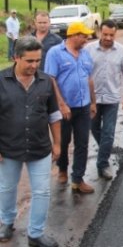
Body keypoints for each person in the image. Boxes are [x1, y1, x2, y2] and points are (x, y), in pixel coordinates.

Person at [0, 36, 61, 247]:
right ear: (16, 57)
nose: (34, 66)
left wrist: (57, 143)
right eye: (29, 61)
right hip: (8, 148)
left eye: (38, 61)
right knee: (7, 188)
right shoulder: (1, 81)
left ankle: (35, 234)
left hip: (40, 147)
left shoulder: (45, 81)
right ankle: (6, 222)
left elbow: (54, 115)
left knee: (42, 191)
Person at [44, 22, 97, 194]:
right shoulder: (55, 53)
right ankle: (62, 169)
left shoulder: (85, 54)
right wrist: (61, 104)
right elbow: (50, 80)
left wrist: (93, 102)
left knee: (82, 142)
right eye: (84, 36)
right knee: (64, 141)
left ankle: (78, 179)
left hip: (83, 106)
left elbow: (89, 79)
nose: (87, 39)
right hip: (64, 108)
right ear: (74, 35)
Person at [85, 20, 123, 180]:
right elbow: (83, 73)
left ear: (115, 34)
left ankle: (102, 164)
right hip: (93, 99)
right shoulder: (88, 49)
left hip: (112, 98)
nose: (108, 38)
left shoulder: (122, 51)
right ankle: (105, 149)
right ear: (99, 32)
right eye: (105, 34)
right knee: (95, 129)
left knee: (109, 132)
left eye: (111, 35)